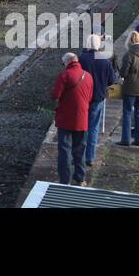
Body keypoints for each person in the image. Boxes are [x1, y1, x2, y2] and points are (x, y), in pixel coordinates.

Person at [50, 51, 94, 186]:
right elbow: (90, 97)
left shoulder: (64, 75)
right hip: (82, 118)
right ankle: (80, 178)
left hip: (65, 119)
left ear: (67, 62)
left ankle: (65, 180)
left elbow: (55, 95)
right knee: (80, 150)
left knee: (64, 150)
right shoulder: (88, 76)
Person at [78, 35, 117, 169]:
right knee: (94, 127)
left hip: (82, 97)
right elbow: (112, 80)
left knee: (81, 127)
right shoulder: (104, 60)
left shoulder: (81, 58)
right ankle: (90, 157)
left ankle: (79, 157)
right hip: (98, 97)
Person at [117, 31, 139, 147]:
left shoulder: (129, 54)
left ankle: (125, 139)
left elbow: (124, 72)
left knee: (127, 112)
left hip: (131, 86)